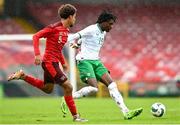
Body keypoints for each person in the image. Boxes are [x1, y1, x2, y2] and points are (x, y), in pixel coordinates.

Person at [7, 4, 87, 122]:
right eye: (74, 16)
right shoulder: (53, 28)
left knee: (47, 88)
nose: (75, 19)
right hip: (49, 62)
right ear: (70, 17)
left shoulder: (65, 30)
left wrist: (63, 62)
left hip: (53, 62)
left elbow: (57, 48)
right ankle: (76, 117)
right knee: (69, 87)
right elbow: (36, 36)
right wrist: (37, 54)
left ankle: (23, 76)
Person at [61, 10, 143, 120]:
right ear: (103, 22)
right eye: (110, 23)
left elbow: (82, 40)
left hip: (96, 61)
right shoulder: (91, 29)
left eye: (112, 24)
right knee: (94, 88)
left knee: (112, 85)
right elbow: (76, 35)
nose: (111, 26)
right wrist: (59, 41)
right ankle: (67, 99)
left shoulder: (103, 32)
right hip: (84, 61)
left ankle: (126, 112)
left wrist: (77, 45)